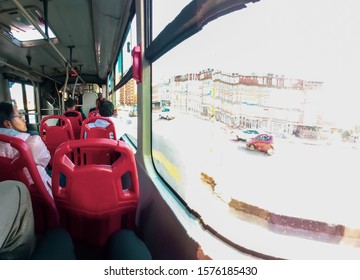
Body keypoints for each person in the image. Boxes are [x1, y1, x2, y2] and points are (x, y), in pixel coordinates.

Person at [0, 101, 53, 197]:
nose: (24, 120)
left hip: (10, 193)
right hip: (38, 191)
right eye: (19, 117)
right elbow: (47, 159)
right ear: (8, 124)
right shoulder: (31, 141)